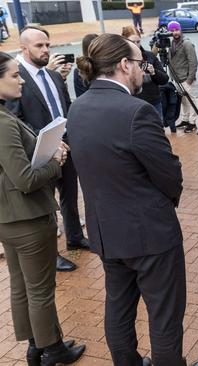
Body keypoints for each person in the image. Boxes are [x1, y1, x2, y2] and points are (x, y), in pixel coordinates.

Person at [69, 33, 198, 366]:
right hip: (151, 235)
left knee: (118, 308)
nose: (145, 70)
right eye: (140, 63)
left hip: (106, 232)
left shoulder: (77, 107)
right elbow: (170, 174)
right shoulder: (137, 111)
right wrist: (166, 200)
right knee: (164, 319)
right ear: (123, 65)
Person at [0, 51, 86, 366]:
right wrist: (54, 162)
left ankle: (37, 347)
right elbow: (24, 178)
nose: (21, 79)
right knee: (39, 290)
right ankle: (52, 350)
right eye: (13, 75)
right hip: (28, 219)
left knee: (22, 285)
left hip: (9, 219)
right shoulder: (4, 124)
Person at [7, 26, 90, 273]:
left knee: (70, 196)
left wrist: (71, 137)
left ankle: (75, 237)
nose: (46, 50)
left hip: (67, 148)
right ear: (24, 48)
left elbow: (65, 108)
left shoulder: (53, 76)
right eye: (39, 46)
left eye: (48, 45)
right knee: (47, 205)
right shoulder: (16, 78)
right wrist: (48, 142)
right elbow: (15, 120)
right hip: (40, 154)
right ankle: (51, 255)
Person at [122, 26, 170, 121]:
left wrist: (153, 72)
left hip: (153, 103)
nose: (136, 45)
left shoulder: (149, 56)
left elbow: (164, 79)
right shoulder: (121, 60)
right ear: (125, 41)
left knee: (157, 132)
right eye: (132, 42)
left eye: (138, 41)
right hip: (132, 105)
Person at [168, 21, 198, 132]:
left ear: (180, 30)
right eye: (172, 31)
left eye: (176, 30)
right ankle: (185, 119)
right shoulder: (171, 43)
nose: (175, 32)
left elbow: (193, 62)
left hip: (186, 78)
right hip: (177, 78)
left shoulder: (187, 43)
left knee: (191, 100)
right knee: (183, 101)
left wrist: (190, 79)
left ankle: (192, 122)